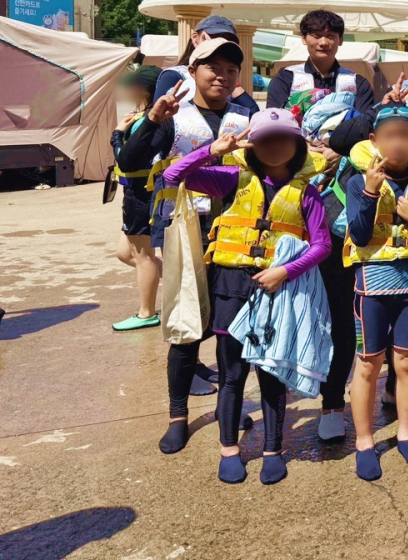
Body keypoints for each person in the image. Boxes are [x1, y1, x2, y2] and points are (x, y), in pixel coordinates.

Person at [164, 108, 329, 484]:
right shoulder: (231, 179)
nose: (274, 146)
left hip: (276, 288)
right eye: (265, 139)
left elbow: (322, 245)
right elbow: (172, 177)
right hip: (231, 287)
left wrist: (285, 271)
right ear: (252, 145)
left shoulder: (307, 193)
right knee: (232, 374)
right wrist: (213, 151)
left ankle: (273, 450)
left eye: (283, 138)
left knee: (271, 375)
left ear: (298, 145)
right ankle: (229, 450)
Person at [117, 38, 253, 455]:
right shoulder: (173, 114)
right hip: (182, 229)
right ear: (192, 72)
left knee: (232, 328)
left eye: (231, 69)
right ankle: (178, 416)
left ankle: (228, 406)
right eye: (212, 67)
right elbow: (130, 162)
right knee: (185, 326)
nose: (222, 76)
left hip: (234, 233)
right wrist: (152, 121)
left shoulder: (245, 117)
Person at [344, 104, 408, 480]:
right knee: (368, 364)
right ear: (374, 141)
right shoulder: (357, 182)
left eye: (405, 135)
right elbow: (358, 236)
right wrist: (371, 193)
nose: (398, 143)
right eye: (389, 136)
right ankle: (364, 442)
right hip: (371, 289)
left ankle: (406, 435)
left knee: (406, 363)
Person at [111, 65, 163, 332]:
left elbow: (126, 159)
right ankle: (180, 283)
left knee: (144, 257)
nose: (126, 90)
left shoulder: (146, 121)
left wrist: (117, 134)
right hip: (135, 193)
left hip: (141, 193)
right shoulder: (143, 117)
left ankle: (146, 313)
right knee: (124, 253)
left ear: (143, 89)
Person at [265, 9, 375, 114]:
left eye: (330, 36)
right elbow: (274, 119)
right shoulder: (286, 79)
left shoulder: (357, 83)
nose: (323, 43)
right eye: (316, 36)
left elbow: (364, 122)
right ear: (304, 38)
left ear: (340, 39)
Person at [152, 15, 259, 112]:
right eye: (215, 37)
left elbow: (253, 113)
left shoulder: (228, 81)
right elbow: (157, 115)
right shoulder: (175, 74)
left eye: (228, 40)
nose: (220, 42)